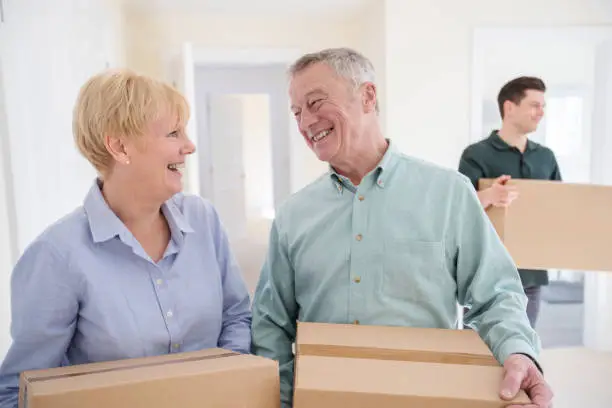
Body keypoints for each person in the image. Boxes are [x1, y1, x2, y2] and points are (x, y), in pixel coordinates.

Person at [251, 48, 553, 408]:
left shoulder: (448, 193)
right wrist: (282, 401)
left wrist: (519, 351)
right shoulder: (293, 215)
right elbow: (272, 324)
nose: (305, 122)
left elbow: (496, 294)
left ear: (367, 96)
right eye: (297, 112)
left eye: (315, 103)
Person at [0, 69, 252, 407]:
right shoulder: (56, 255)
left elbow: (236, 315)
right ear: (119, 146)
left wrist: (227, 384)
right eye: (174, 133)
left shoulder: (203, 219)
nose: (189, 146)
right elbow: (18, 393)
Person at [458, 76, 562, 329]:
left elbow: (560, 208)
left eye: (543, 106)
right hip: (486, 273)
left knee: (524, 349)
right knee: (484, 351)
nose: (541, 113)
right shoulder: (476, 155)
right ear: (509, 107)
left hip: (531, 272)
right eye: (535, 105)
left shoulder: (546, 157)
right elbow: (457, 210)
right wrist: (489, 196)